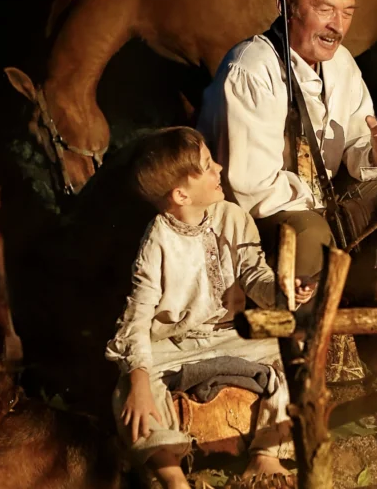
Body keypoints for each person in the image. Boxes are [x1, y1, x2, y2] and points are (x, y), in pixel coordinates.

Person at [197, 0, 377, 297]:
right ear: (288, 7)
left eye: (347, 12)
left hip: (320, 201)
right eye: (326, 9)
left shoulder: (342, 64)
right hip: (263, 218)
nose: (338, 26)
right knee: (311, 234)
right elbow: (252, 188)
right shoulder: (251, 70)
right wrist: (327, 208)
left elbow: (355, 143)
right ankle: (299, 342)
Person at [104, 127, 312, 488]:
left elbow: (253, 273)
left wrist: (282, 292)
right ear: (181, 194)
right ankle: (172, 477)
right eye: (207, 165)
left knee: (295, 356)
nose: (219, 168)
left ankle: (265, 455)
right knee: (127, 391)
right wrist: (138, 377)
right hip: (173, 346)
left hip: (233, 335)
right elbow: (137, 315)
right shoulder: (156, 242)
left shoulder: (233, 217)